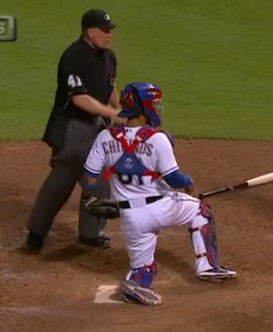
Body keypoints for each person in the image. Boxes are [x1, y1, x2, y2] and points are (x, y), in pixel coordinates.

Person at [79, 82, 238, 306]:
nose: (157, 107)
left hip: (131, 218)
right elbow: (174, 180)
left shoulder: (105, 137)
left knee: (144, 268)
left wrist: (93, 197)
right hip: (163, 208)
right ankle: (208, 267)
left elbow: (89, 177)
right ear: (144, 108)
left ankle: (137, 285)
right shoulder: (158, 139)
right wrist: (188, 182)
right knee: (201, 210)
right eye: (154, 103)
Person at [25, 9, 122, 254]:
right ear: (91, 32)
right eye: (104, 30)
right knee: (63, 179)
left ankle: (91, 233)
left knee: (100, 178)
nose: (109, 35)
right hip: (72, 126)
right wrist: (113, 114)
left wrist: (120, 108)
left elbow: (110, 86)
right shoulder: (73, 57)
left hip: (97, 126)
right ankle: (36, 233)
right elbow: (79, 99)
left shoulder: (108, 56)